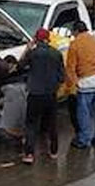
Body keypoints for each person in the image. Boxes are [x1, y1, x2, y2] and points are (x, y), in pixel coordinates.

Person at [19, 28, 65, 164]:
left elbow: (20, 66)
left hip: (35, 93)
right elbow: (62, 76)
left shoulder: (33, 54)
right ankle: (54, 151)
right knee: (52, 123)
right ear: (48, 39)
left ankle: (29, 154)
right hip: (50, 94)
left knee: (31, 124)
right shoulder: (57, 54)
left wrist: (28, 48)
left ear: (36, 39)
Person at [65, 21, 95, 149]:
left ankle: (84, 139)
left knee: (83, 113)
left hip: (86, 83)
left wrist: (71, 87)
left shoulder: (75, 45)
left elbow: (70, 69)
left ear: (76, 31)